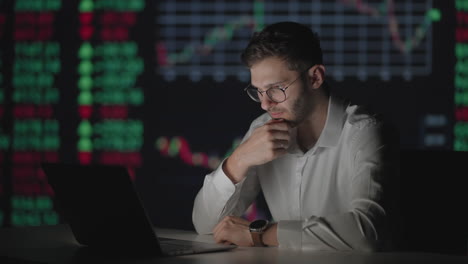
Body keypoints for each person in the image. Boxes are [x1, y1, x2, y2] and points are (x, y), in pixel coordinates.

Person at [192, 21, 397, 251]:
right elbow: (205, 225)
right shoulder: (263, 128)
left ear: (315, 78)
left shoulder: (364, 131)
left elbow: (366, 232)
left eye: (276, 89)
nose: (264, 104)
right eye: (258, 91)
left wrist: (261, 234)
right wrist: (238, 160)